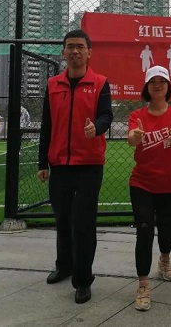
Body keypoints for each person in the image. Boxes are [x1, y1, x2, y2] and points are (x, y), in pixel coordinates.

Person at [37, 29, 113, 305]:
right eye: (70, 46)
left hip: (89, 166)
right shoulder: (53, 85)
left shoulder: (100, 83)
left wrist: (97, 127)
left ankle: (83, 280)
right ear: (63, 52)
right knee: (62, 219)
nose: (75, 51)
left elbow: (107, 115)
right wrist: (43, 162)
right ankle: (64, 266)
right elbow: (47, 125)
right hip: (60, 165)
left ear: (89, 52)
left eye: (80, 46)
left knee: (83, 223)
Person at [127, 65, 171, 311]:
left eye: (162, 81)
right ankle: (143, 284)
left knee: (165, 225)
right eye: (153, 81)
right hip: (142, 182)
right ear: (147, 87)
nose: (158, 85)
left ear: (168, 86)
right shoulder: (137, 114)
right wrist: (135, 137)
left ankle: (164, 260)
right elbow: (131, 136)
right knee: (144, 229)